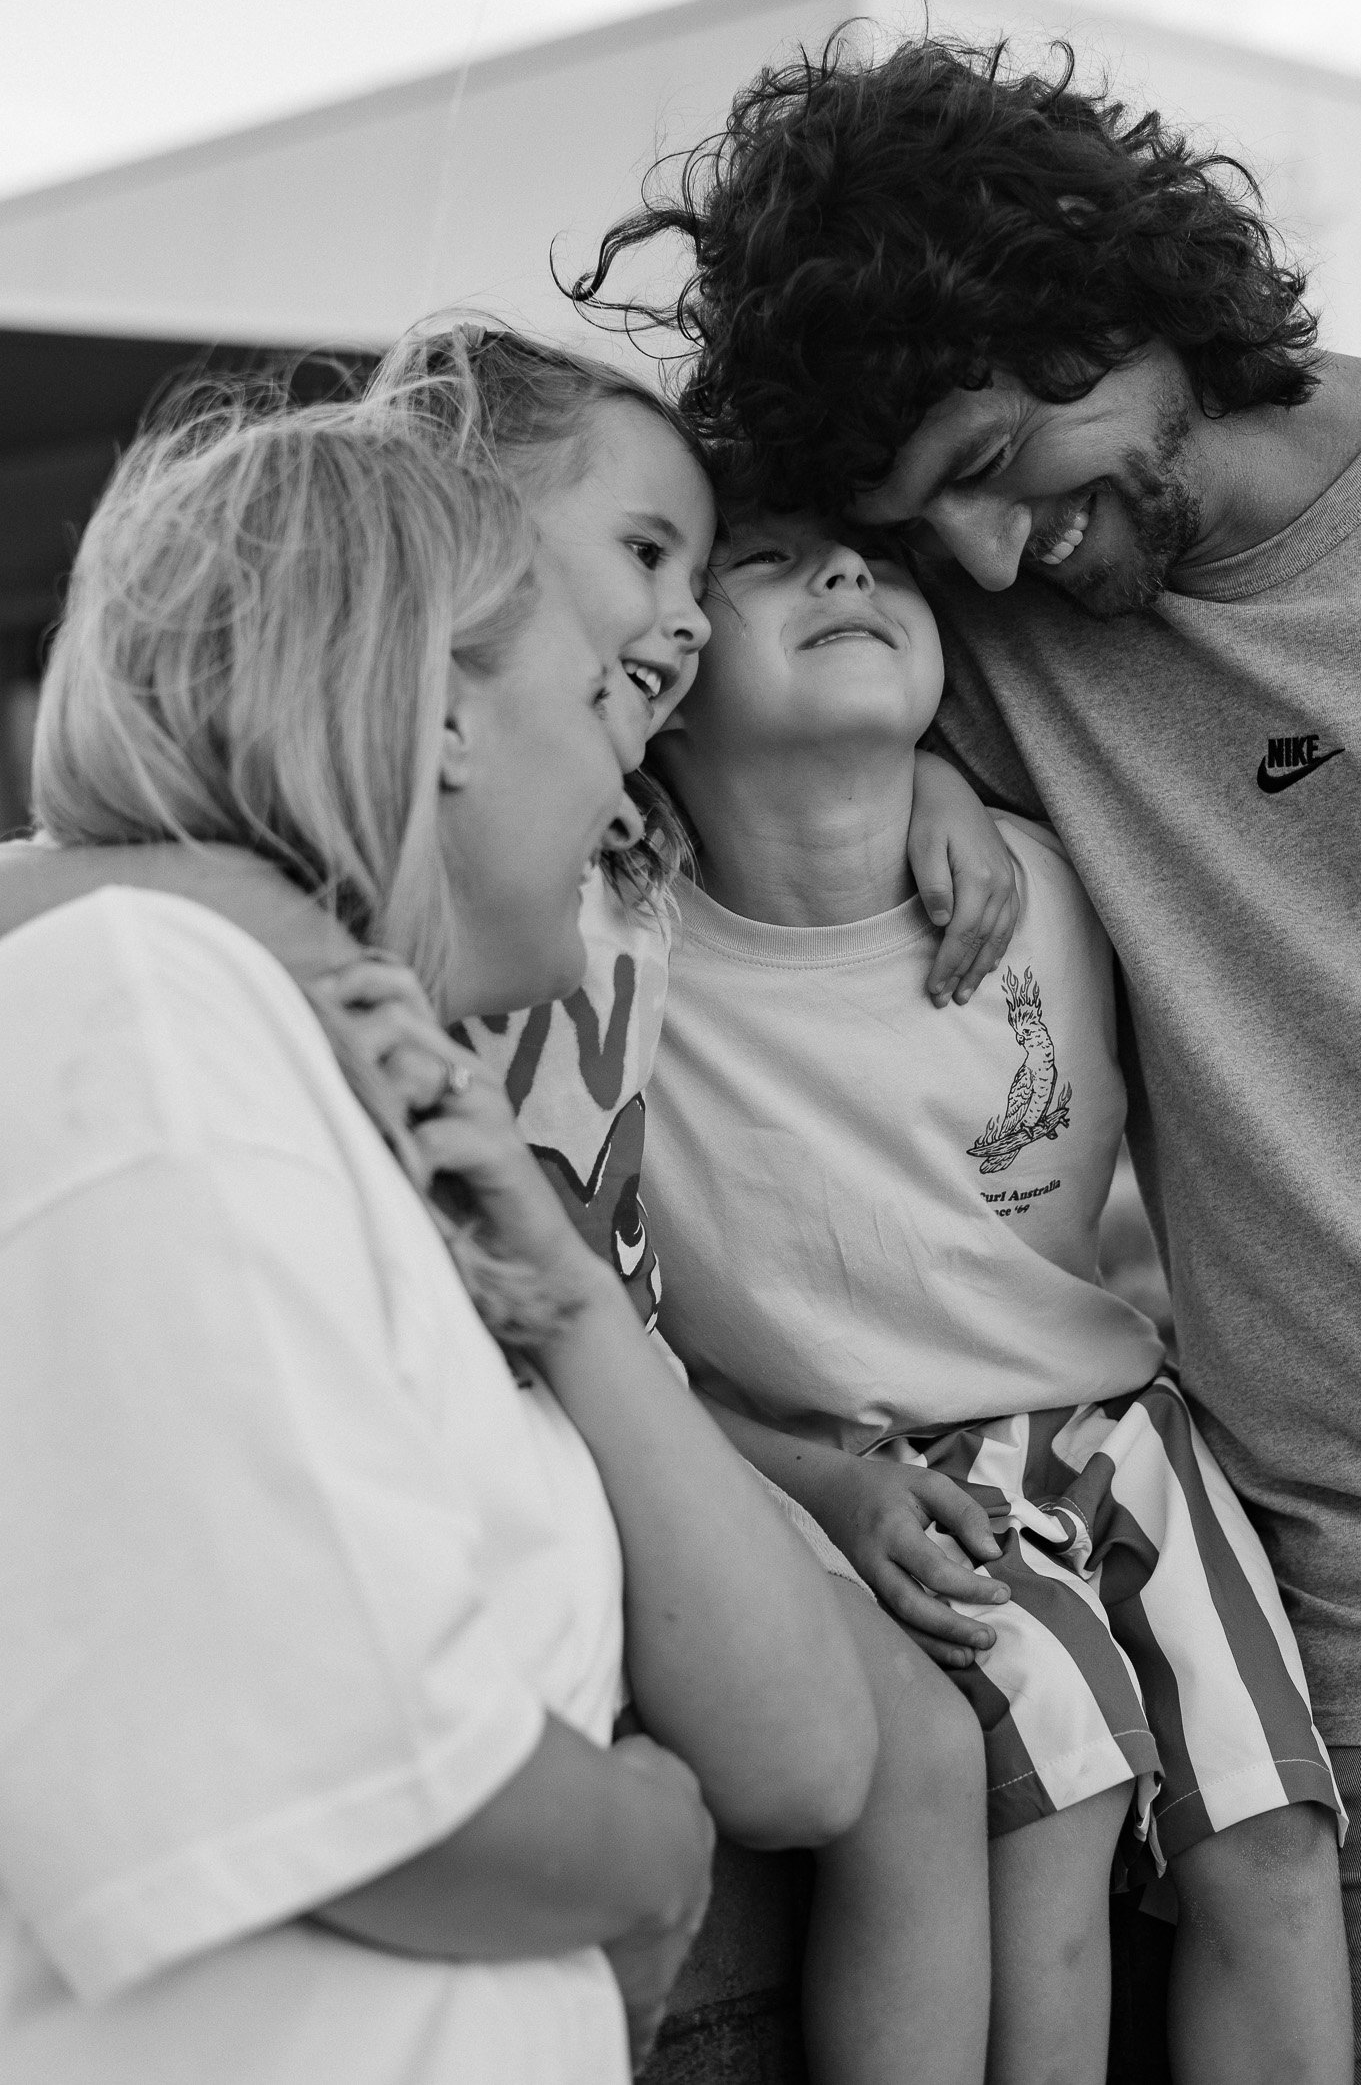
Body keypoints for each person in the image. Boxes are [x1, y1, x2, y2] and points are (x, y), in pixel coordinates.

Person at [578, 32, 1361, 2083]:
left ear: (1115, 294)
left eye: (994, 455)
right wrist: (923, 785)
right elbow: (669, 644)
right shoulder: (971, 639)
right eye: (922, 526)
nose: (986, 559)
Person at [0, 324, 1025, 2085]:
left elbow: (805, 1749)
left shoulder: (382, 1097)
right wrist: (647, 1865)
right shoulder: (151, 1013)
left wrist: (553, 1269)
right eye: (602, 703)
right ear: (441, 709)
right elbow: (379, 1786)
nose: (631, 775)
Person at [640, 504, 1352, 2085]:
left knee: (1275, 1827)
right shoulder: (623, 939)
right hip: (867, 1469)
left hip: (1121, 1435)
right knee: (1064, 1781)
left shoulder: (1051, 873)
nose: (844, 575)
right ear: (665, 671)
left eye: (878, 562)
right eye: (763, 563)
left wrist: (945, 782)